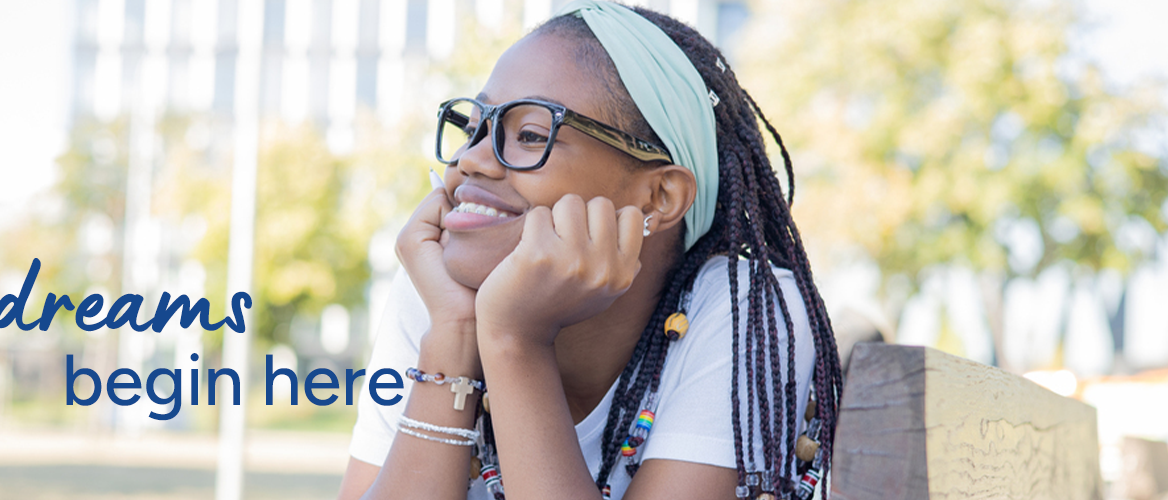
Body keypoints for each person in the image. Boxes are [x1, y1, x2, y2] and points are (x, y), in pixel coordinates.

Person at [336, 2, 842, 499]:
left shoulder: (742, 309)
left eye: (531, 135)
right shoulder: (439, 290)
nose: (472, 160)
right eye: (474, 129)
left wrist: (515, 339)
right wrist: (455, 331)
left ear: (659, 197)